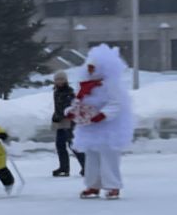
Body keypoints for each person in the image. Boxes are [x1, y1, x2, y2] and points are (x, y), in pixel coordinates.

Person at [69, 42, 134, 198]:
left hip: (108, 128)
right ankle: (93, 185)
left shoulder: (111, 85)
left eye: (94, 68)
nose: (91, 71)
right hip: (89, 127)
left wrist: (103, 115)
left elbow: (117, 103)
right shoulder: (84, 86)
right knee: (91, 158)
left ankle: (113, 186)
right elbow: (77, 103)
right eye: (89, 68)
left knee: (108, 158)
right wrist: (71, 112)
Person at [50, 71, 83, 178]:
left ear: (65, 80)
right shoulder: (56, 92)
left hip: (68, 121)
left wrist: (63, 116)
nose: (59, 82)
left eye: (61, 79)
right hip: (59, 121)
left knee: (73, 144)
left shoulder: (69, 92)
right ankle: (64, 168)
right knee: (60, 145)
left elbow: (69, 108)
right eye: (57, 80)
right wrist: (56, 117)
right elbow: (58, 107)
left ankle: (87, 166)